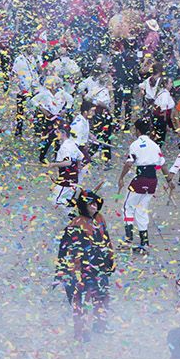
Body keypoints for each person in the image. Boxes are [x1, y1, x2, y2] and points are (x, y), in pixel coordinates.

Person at [56, 190, 114, 341]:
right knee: (81, 301)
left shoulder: (100, 219)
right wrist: (64, 271)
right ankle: (81, 332)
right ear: (83, 206)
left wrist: (110, 259)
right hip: (82, 269)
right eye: (90, 204)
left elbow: (106, 239)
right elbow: (65, 249)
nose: (94, 207)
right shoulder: (75, 224)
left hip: (99, 267)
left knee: (102, 297)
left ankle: (100, 324)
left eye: (96, 203)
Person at [116, 118, 164, 253]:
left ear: (137, 130)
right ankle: (144, 240)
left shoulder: (135, 145)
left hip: (140, 179)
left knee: (127, 206)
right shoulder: (155, 145)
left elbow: (129, 163)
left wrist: (121, 177)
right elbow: (161, 164)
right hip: (153, 180)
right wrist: (168, 180)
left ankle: (129, 238)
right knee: (142, 208)